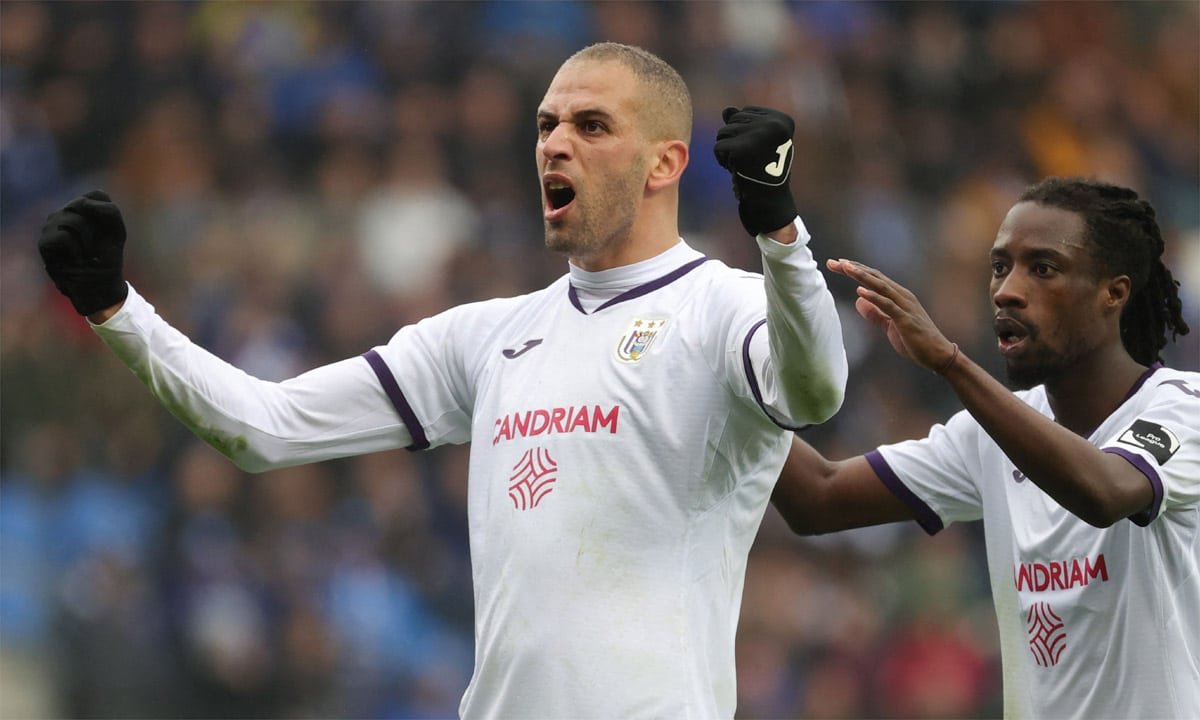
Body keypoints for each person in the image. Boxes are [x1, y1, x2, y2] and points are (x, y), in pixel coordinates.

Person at [38, 43, 848, 718]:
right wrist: (118, 310)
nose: (555, 143)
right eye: (546, 124)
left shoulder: (725, 307)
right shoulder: (485, 335)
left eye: (591, 125)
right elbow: (269, 429)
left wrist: (777, 225)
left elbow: (815, 394)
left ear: (666, 161)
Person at [771, 176, 1197, 719]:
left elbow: (1105, 492)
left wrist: (950, 363)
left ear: (1113, 292)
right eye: (1001, 267)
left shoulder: (1183, 408)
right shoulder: (990, 434)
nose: (1006, 290)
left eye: (1042, 268)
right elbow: (818, 497)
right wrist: (727, 375)